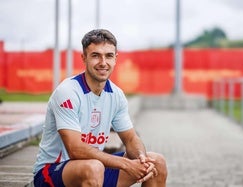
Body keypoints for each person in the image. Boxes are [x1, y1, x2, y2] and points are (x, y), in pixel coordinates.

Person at [33, 29, 167, 187]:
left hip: (94, 169)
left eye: (109, 56)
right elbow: (75, 149)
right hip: (52, 172)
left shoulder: (116, 95)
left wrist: (141, 158)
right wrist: (125, 164)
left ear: (116, 59)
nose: (103, 62)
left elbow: (130, 139)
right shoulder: (68, 91)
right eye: (96, 55)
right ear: (84, 58)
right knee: (94, 167)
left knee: (156, 162)